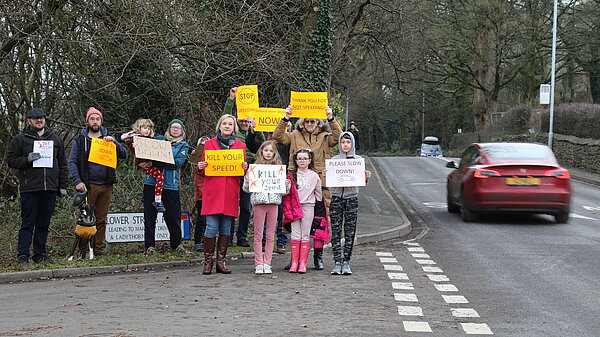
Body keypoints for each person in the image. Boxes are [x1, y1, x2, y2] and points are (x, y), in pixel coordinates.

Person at [273, 105, 341, 270]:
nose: (310, 123)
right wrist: (286, 118)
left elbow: (339, 137)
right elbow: (278, 136)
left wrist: (331, 118)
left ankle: (318, 257)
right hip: (297, 182)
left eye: (313, 121)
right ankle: (294, 259)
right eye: (307, 121)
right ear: (303, 122)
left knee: (319, 221)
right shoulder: (295, 135)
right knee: (293, 220)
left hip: (320, 183)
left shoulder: (325, 137)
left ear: (317, 122)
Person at [7, 108, 68, 264]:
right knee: (28, 223)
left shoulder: (55, 139)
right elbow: (11, 161)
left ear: (45, 120)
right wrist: (27, 159)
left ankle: (40, 255)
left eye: (41, 118)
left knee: (44, 224)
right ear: (29, 121)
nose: (39, 121)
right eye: (35, 119)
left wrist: (62, 185)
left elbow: (62, 164)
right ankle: (23, 255)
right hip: (30, 188)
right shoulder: (20, 139)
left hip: (50, 188)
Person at [68, 107, 128, 256]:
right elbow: (72, 162)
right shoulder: (80, 141)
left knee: (101, 219)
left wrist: (114, 143)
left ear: (101, 121)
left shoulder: (108, 138)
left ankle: (99, 250)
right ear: (87, 121)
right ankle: (83, 251)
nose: (95, 122)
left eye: (98, 119)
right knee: (85, 221)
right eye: (92, 119)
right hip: (88, 186)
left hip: (106, 184)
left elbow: (124, 154)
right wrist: (77, 181)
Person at [198, 114, 248, 275]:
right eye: (224, 123)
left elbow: (242, 171)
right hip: (213, 191)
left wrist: (245, 166)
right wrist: (201, 166)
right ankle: (208, 262)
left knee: (226, 228)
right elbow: (203, 168)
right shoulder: (209, 144)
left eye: (230, 124)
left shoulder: (240, 145)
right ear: (219, 126)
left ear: (235, 128)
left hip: (230, 191)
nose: (227, 126)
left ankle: (221, 261)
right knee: (211, 227)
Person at [139, 119, 190, 255]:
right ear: (168, 128)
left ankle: (176, 244)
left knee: (173, 216)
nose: (175, 130)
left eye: (178, 128)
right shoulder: (158, 141)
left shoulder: (183, 146)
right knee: (150, 216)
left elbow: (176, 163)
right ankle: (149, 246)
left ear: (182, 131)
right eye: (173, 127)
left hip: (170, 186)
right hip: (151, 183)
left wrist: (154, 162)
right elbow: (143, 152)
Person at [224, 87, 265, 247]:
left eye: (246, 121)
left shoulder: (253, 131)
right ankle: (227, 235)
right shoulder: (232, 134)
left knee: (246, 206)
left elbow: (262, 145)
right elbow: (224, 117)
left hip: (250, 172)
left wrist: (255, 128)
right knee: (230, 205)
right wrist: (231, 99)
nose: (244, 123)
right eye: (241, 120)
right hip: (233, 172)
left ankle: (242, 236)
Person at [243, 141, 291, 274]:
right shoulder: (255, 167)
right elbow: (246, 189)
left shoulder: (279, 168)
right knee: (258, 235)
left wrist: (286, 184)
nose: (268, 153)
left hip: (274, 203)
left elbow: (283, 191)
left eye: (271, 151)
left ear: (274, 153)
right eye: (266, 150)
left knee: (271, 235)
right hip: (259, 203)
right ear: (261, 152)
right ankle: (259, 263)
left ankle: (267, 263)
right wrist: (247, 180)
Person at [327, 132, 371, 275]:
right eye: (343, 142)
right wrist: (326, 176)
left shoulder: (358, 160)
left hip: (351, 198)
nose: (345, 145)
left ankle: (346, 261)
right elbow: (331, 184)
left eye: (348, 142)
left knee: (350, 231)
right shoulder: (334, 160)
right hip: (336, 198)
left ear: (352, 143)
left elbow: (360, 182)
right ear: (339, 144)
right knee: (336, 231)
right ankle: (337, 262)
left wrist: (365, 178)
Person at [245, 120, 291, 254]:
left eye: (274, 132)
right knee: (263, 220)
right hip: (262, 192)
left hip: (277, 189)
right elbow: (251, 144)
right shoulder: (263, 146)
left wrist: (288, 128)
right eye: (270, 133)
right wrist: (252, 132)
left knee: (281, 215)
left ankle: (281, 242)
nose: (272, 135)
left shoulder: (286, 144)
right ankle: (263, 242)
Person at [287, 149, 322, 273]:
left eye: (305, 158)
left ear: (309, 160)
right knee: (295, 234)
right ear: (296, 161)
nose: (302, 161)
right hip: (294, 207)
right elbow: (287, 193)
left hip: (308, 207)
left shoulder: (314, 176)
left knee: (305, 234)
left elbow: (319, 194)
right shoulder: (292, 175)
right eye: (299, 158)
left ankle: (303, 263)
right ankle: (294, 263)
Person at [121, 118, 166, 212]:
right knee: (159, 177)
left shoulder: (150, 140)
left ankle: (147, 196)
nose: (147, 130)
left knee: (158, 177)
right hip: (143, 163)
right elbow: (123, 137)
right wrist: (133, 134)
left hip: (152, 162)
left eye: (149, 128)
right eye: (144, 128)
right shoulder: (134, 139)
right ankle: (157, 200)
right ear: (139, 128)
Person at [192, 136, 210, 252]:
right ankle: (198, 241)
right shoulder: (196, 158)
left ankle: (207, 241)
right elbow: (196, 170)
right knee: (201, 217)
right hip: (201, 192)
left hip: (212, 191)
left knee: (210, 219)